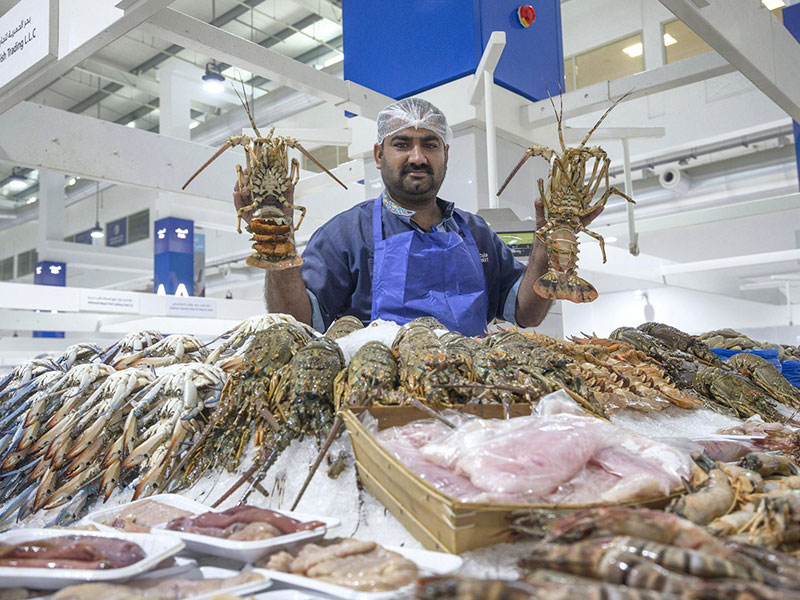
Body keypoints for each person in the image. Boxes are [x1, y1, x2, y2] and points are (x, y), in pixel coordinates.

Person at [234, 98, 602, 335]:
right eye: (401, 143)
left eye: (429, 144)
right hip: (378, 410)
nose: (417, 156)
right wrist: (278, 241)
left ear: (445, 153)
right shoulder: (345, 234)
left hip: (473, 398)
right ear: (379, 155)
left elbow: (527, 313)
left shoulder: (475, 232)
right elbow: (297, 322)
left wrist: (546, 240)